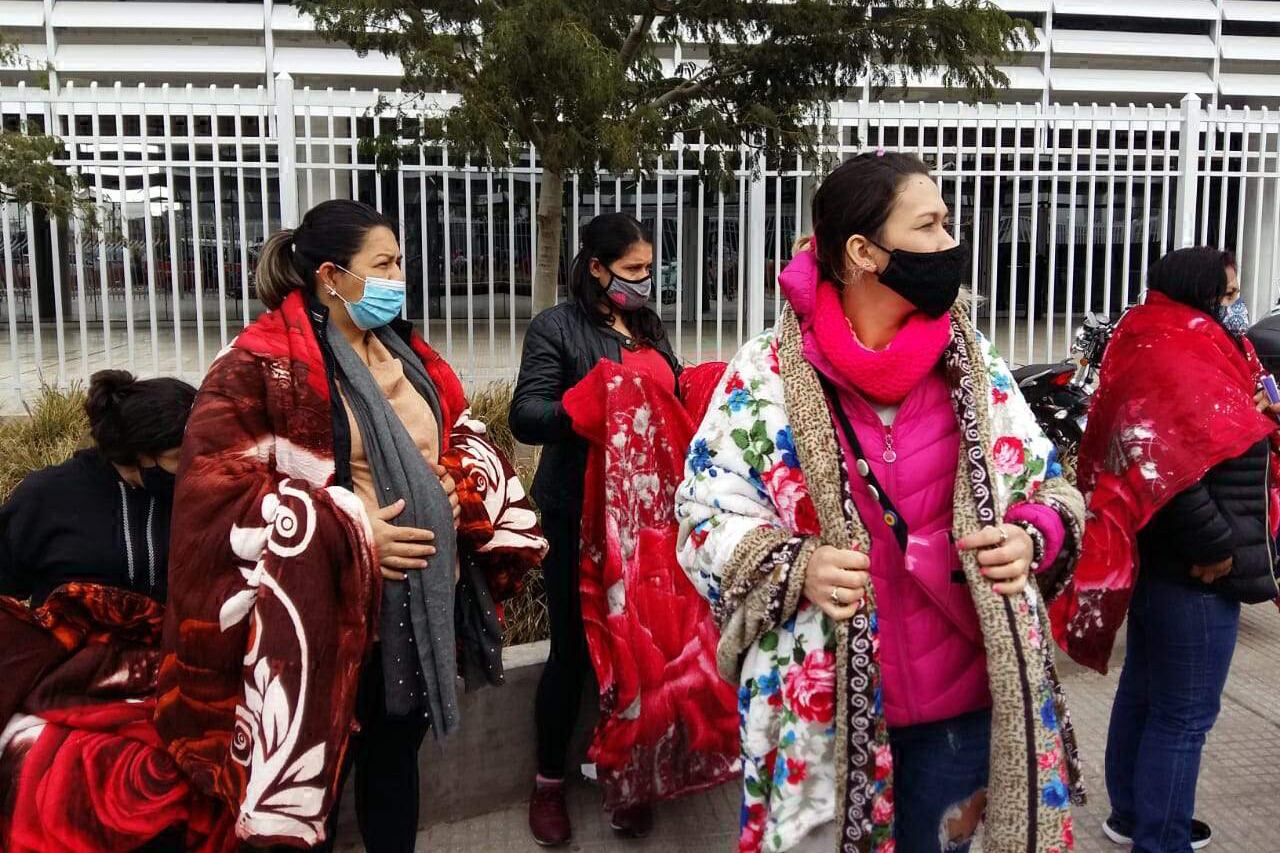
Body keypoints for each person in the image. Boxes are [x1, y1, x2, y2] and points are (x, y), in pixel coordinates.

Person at [675, 151, 1086, 853]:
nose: (950, 243)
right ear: (864, 251)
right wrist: (796, 564)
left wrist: (1032, 534)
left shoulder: (972, 360)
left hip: (963, 703)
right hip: (828, 710)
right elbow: (702, 512)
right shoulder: (768, 372)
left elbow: (1049, 488)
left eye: (948, 223)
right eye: (929, 226)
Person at [156, 199, 474, 853]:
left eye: (399, 262)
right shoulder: (259, 365)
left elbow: (459, 435)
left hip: (415, 612)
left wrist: (451, 483)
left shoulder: (408, 352)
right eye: (382, 264)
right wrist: (353, 530)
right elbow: (214, 492)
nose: (397, 277)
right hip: (322, 616)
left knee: (394, 771)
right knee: (315, 790)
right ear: (331, 275)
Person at [1052, 247, 1280, 852]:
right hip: (1197, 570)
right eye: (1227, 296)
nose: (1235, 309)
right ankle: (1163, 838)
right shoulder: (1178, 353)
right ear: (1198, 292)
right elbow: (1166, 469)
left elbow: (1193, 437)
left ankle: (1133, 815)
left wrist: (1254, 411)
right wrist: (1220, 549)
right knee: (1184, 717)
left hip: (1163, 561)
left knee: (1147, 693)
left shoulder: (1167, 340)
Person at [510, 212, 681, 845]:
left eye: (648, 270)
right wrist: (590, 403)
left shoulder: (645, 325)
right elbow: (527, 413)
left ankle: (628, 777)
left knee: (640, 650)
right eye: (633, 271)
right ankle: (549, 782)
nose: (644, 283)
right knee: (575, 654)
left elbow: (668, 395)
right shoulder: (556, 327)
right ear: (596, 268)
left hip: (646, 518)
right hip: (576, 514)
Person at [0, 369, 195, 606]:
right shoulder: (46, 497)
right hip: (68, 642)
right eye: (179, 456)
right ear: (142, 451)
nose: (196, 462)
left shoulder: (203, 498)